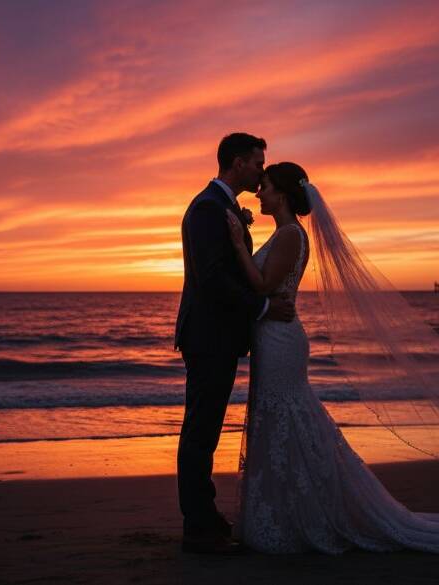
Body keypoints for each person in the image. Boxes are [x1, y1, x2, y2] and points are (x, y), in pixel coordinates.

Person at [225, 162, 439, 554]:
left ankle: (301, 515)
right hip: (272, 337)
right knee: (277, 420)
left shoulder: (291, 234)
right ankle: (283, 512)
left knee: (285, 418)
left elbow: (262, 285)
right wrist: (245, 237)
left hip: (280, 340)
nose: (259, 193)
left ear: (284, 195)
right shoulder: (283, 234)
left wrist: (238, 244)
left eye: (267, 186)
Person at [174, 133, 295, 554]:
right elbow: (212, 279)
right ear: (239, 162)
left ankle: (204, 518)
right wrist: (261, 309)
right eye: (258, 163)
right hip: (209, 336)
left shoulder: (220, 206)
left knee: (204, 429)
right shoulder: (209, 208)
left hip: (217, 335)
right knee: (200, 432)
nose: (263, 171)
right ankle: (198, 527)